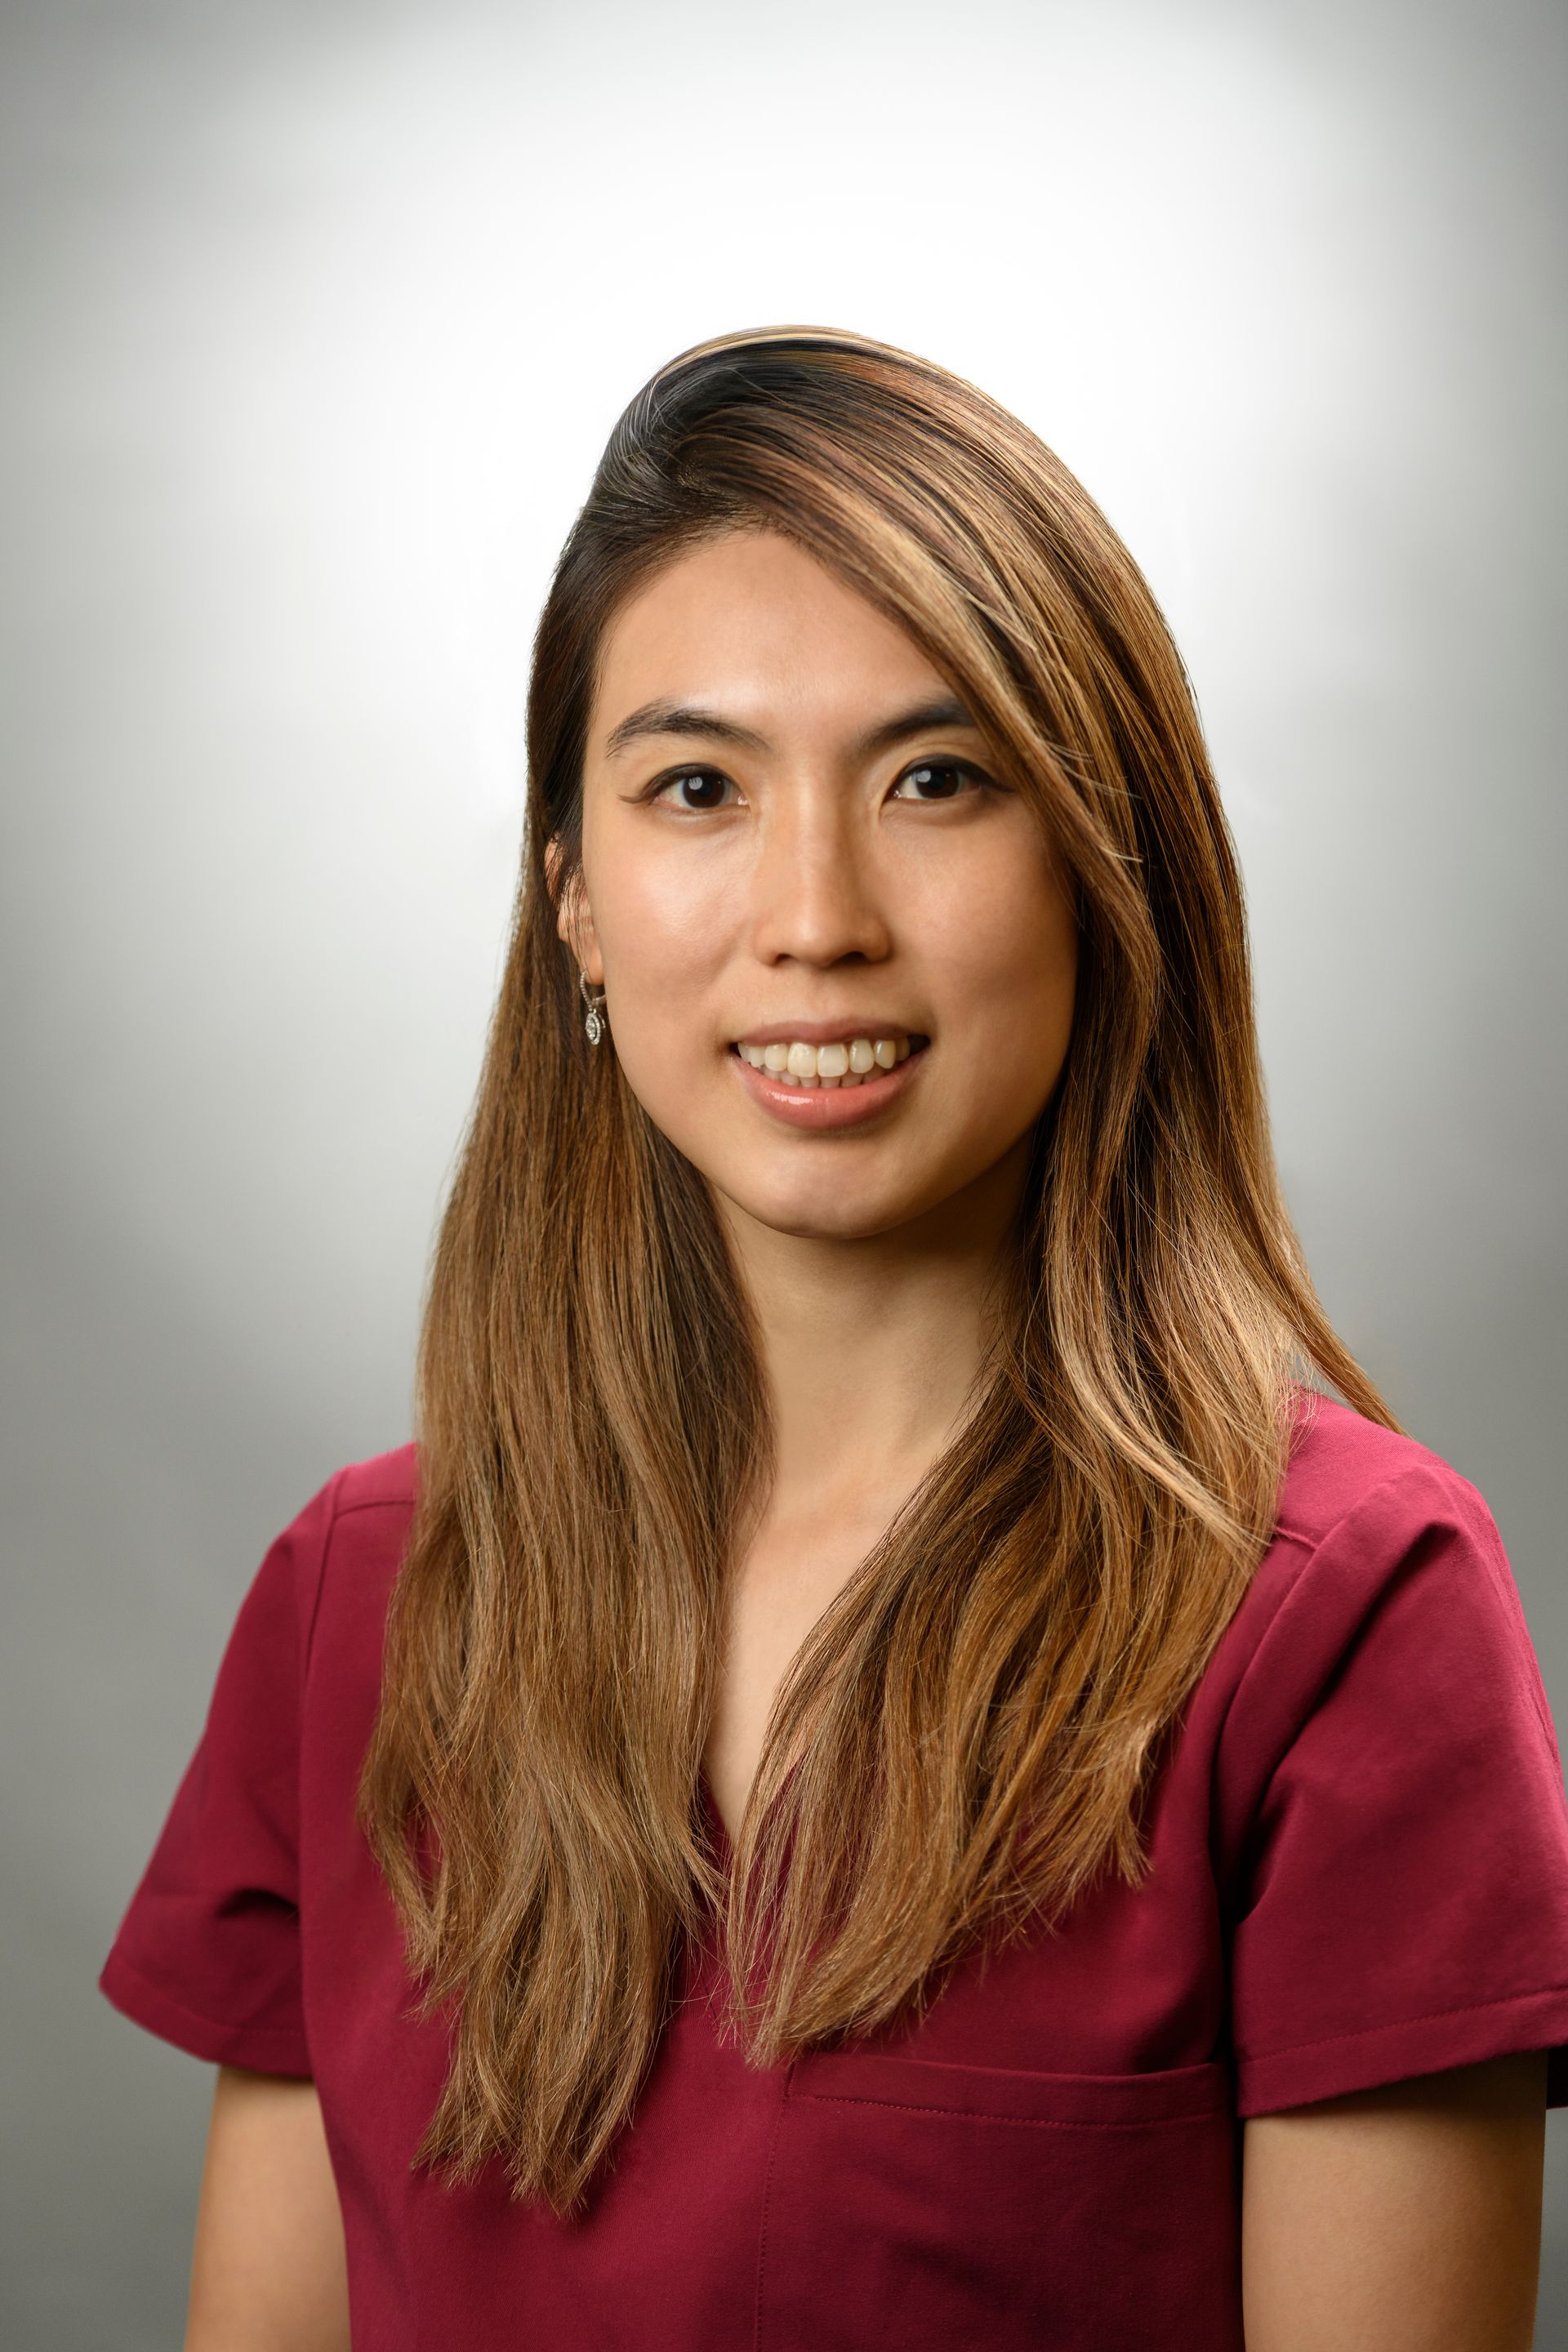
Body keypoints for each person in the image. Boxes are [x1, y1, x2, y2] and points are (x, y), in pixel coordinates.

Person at [101, 327, 1568, 2351]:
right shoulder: (353, 1603)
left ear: (1102, 870)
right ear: (578, 908)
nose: (815, 913)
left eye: (939, 780)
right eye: (697, 786)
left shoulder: (1348, 1620)